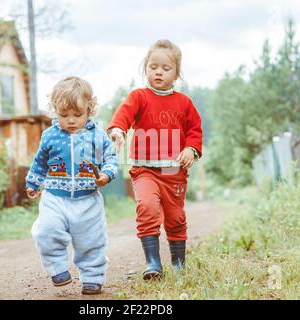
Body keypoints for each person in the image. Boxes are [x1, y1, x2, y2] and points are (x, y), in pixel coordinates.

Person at [107, 40, 202, 280]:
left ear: (176, 73)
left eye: (165, 68)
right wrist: (118, 130)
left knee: (175, 217)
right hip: (144, 169)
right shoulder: (139, 97)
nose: (158, 71)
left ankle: (178, 263)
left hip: (173, 172)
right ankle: (153, 262)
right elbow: (123, 116)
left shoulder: (184, 103)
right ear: (145, 68)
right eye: (153, 66)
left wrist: (191, 149)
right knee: (147, 208)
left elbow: (195, 130)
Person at [25, 76, 118, 295]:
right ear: (55, 110)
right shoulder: (50, 136)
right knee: (45, 230)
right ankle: (57, 268)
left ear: (89, 109)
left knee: (91, 240)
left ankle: (93, 277)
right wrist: (33, 183)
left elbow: (111, 159)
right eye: (64, 115)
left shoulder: (97, 135)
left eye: (78, 114)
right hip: (54, 197)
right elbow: (39, 162)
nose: (71, 120)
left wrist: (106, 174)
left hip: (88, 199)